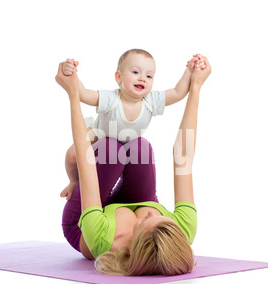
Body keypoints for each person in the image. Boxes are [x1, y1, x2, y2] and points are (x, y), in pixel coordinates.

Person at [55, 55, 211, 276]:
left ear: (133, 246)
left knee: (110, 150)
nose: (149, 214)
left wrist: (72, 94)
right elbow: (183, 155)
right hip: (121, 207)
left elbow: (85, 156)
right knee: (140, 148)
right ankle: (115, 176)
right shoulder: (182, 229)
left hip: (83, 221)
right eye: (159, 217)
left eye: (145, 222)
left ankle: (105, 178)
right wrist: (195, 86)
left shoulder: (103, 237)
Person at [60, 49, 207, 200]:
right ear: (119, 77)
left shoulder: (151, 101)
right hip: (100, 135)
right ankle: (73, 181)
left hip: (129, 144)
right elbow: (83, 94)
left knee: (135, 159)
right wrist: (72, 74)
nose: (143, 78)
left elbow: (178, 92)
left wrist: (190, 71)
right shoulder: (111, 99)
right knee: (72, 154)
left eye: (149, 76)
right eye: (136, 72)